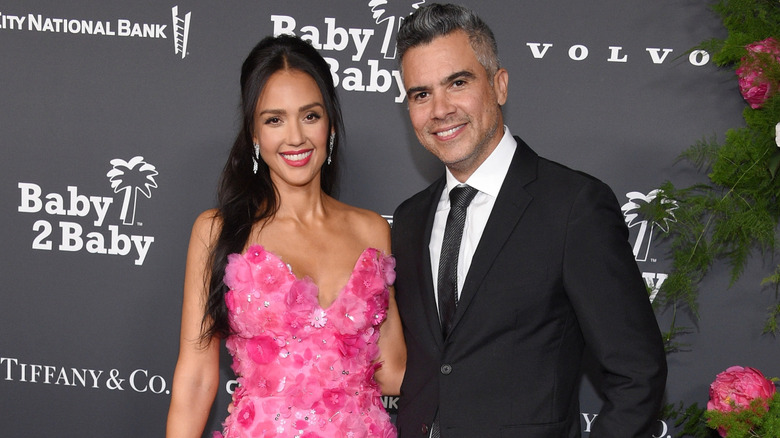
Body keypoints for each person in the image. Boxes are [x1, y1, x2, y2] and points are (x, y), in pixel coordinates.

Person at [390, 4, 667, 437]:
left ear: (498, 85)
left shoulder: (574, 206)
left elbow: (638, 374)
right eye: (421, 94)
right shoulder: (408, 220)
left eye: (457, 83)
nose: (439, 109)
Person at [166, 34, 405, 438]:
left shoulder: (372, 230)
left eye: (310, 115)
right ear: (254, 135)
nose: (295, 137)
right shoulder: (218, 232)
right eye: (274, 119)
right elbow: (195, 384)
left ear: (330, 123)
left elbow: (395, 370)